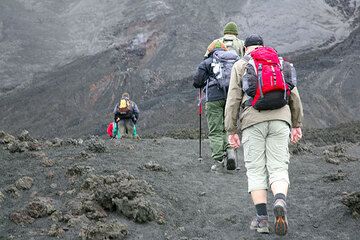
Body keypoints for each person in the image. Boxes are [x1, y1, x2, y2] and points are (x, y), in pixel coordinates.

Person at [224, 34, 303, 235]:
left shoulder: (241, 65)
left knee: (256, 169)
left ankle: (262, 220)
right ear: (262, 46)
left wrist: (231, 130)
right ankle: (279, 200)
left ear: (245, 48)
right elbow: (293, 94)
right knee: (278, 166)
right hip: (281, 119)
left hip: (253, 120)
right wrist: (296, 124)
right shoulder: (279, 62)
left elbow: (233, 99)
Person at [193, 40, 239, 172]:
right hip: (230, 98)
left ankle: (218, 160)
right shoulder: (232, 61)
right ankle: (230, 151)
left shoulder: (207, 62)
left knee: (215, 130)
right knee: (228, 127)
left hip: (213, 98)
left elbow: (197, 82)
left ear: (210, 51)